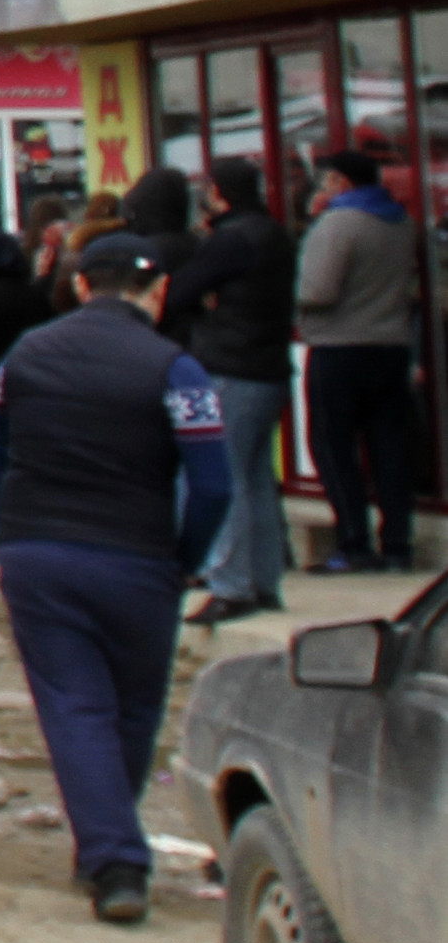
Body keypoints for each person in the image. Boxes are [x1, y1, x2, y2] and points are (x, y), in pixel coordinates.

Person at [0, 233, 233, 922]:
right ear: (153, 291)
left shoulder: (22, 355)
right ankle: (112, 854)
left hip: (38, 550)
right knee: (130, 710)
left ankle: (107, 850)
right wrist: (185, 555)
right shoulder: (174, 367)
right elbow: (213, 483)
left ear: (77, 285)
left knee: (73, 707)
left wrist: (9, 535)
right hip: (139, 558)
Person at [167, 157, 298, 605]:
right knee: (257, 479)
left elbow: (178, 292)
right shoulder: (274, 231)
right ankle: (263, 582)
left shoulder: (232, 239)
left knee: (224, 478)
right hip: (268, 366)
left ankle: (230, 584)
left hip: (232, 366)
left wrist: (205, 304)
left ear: (219, 193)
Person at [291, 144, 420, 577]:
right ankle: (398, 545)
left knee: (333, 448)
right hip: (390, 346)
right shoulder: (401, 223)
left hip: (339, 349)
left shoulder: (337, 224)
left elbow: (316, 291)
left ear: (341, 183)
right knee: (389, 448)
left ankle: (354, 543)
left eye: (327, 180)